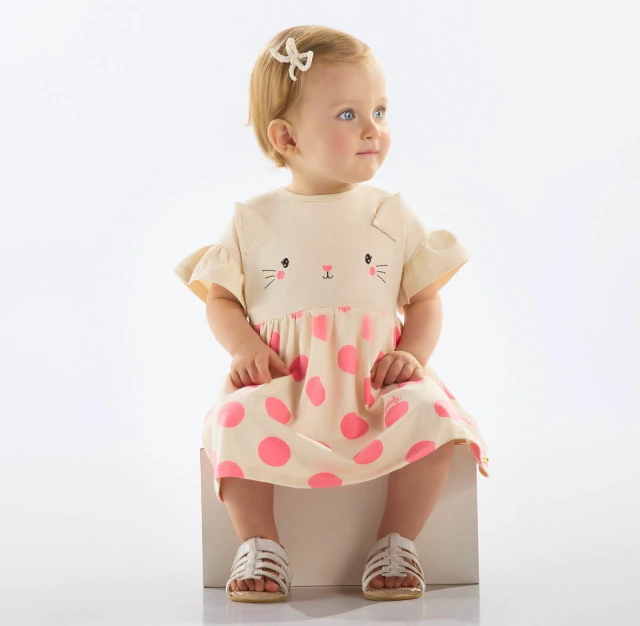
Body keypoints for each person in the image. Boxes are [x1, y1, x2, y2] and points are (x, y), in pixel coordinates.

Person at [174, 25, 490, 603]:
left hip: (373, 384)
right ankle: (260, 542)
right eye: (349, 115)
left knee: (431, 416)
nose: (373, 129)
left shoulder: (390, 213)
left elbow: (424, 299)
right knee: (233, 421)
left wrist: (411, 354)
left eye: (380, 111)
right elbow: (221, 298)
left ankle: (396, 539)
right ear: (287, 136)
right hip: (286, 384)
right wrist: (244, 346)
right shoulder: (255, 219)